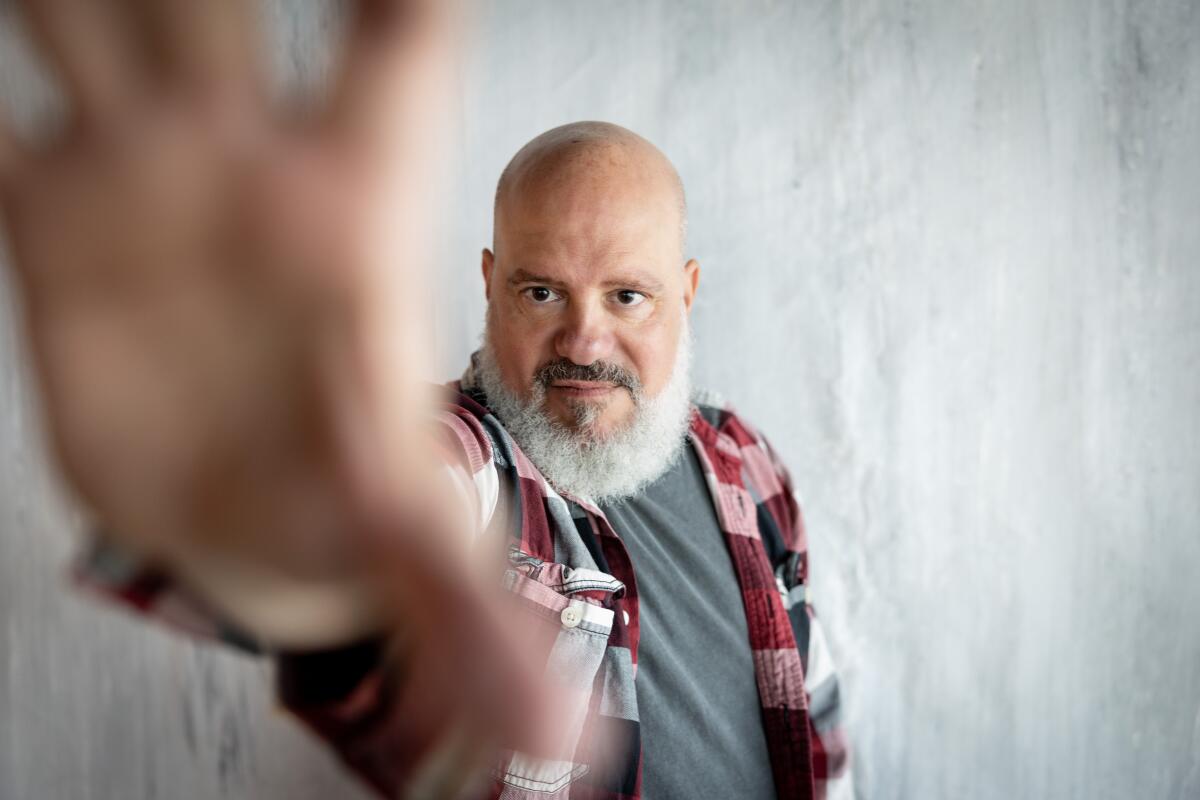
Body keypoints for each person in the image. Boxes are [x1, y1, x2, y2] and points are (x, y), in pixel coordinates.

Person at [0, 2, 849, 798]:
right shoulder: (459, 454)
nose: (586, 339)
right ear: (490, 285)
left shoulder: (746, 459)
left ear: (687, 292)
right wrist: (289, 522)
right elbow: (386, 521)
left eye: (628, 296)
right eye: (543, 293)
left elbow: (815, 731)